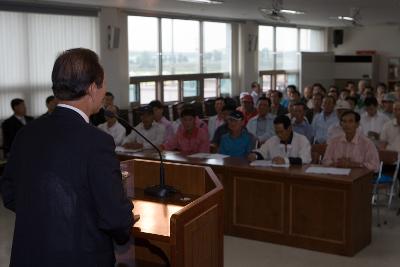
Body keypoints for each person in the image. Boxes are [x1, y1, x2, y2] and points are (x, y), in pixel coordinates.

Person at [0, 48, 134, 267]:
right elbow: (114, 218)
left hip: (29, 253)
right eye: (104, 84)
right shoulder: (97, 142)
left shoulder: (27, 133)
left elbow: (9, 192)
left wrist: (44, 213)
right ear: (92, 88)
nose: (104, 91)